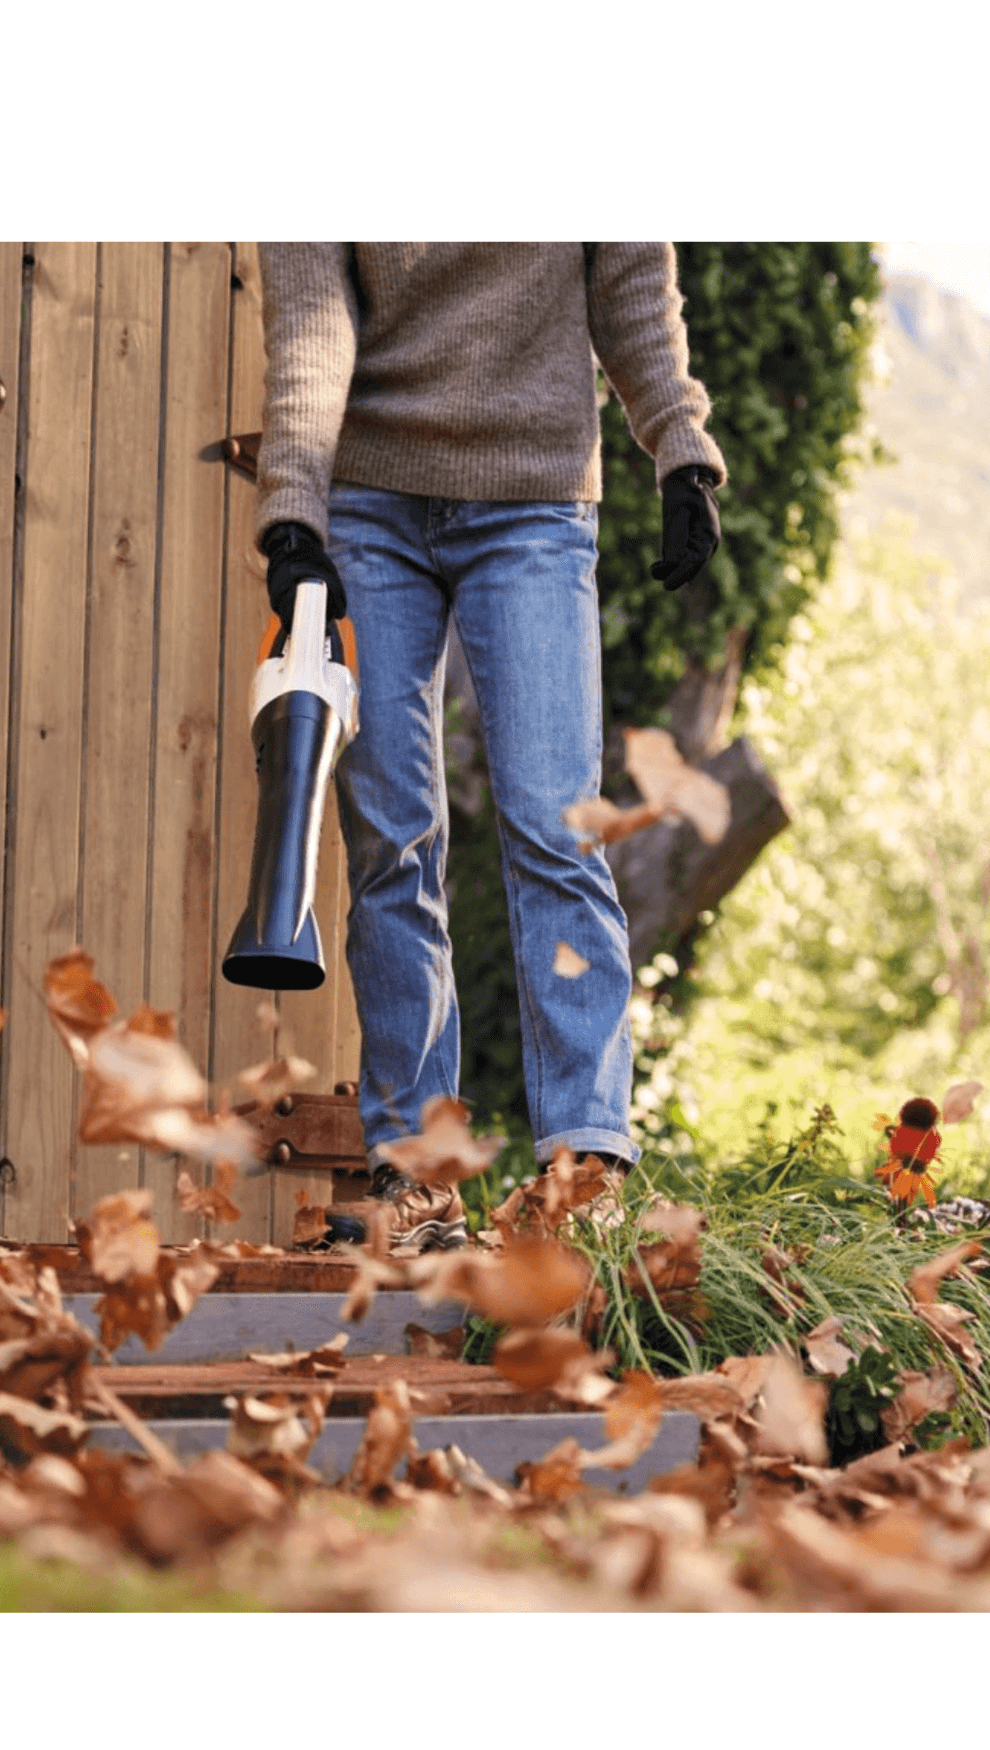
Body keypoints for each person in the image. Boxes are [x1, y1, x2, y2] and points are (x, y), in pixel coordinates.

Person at [253, 243, 726, 1250]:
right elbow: (311, 327)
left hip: (534, 500)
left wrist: (677, 441)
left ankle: (583, 1167)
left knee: (557, 826)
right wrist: (294, 509)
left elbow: (629, 280)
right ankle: (418, 1177)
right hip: (368, 502)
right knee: (389, 833)